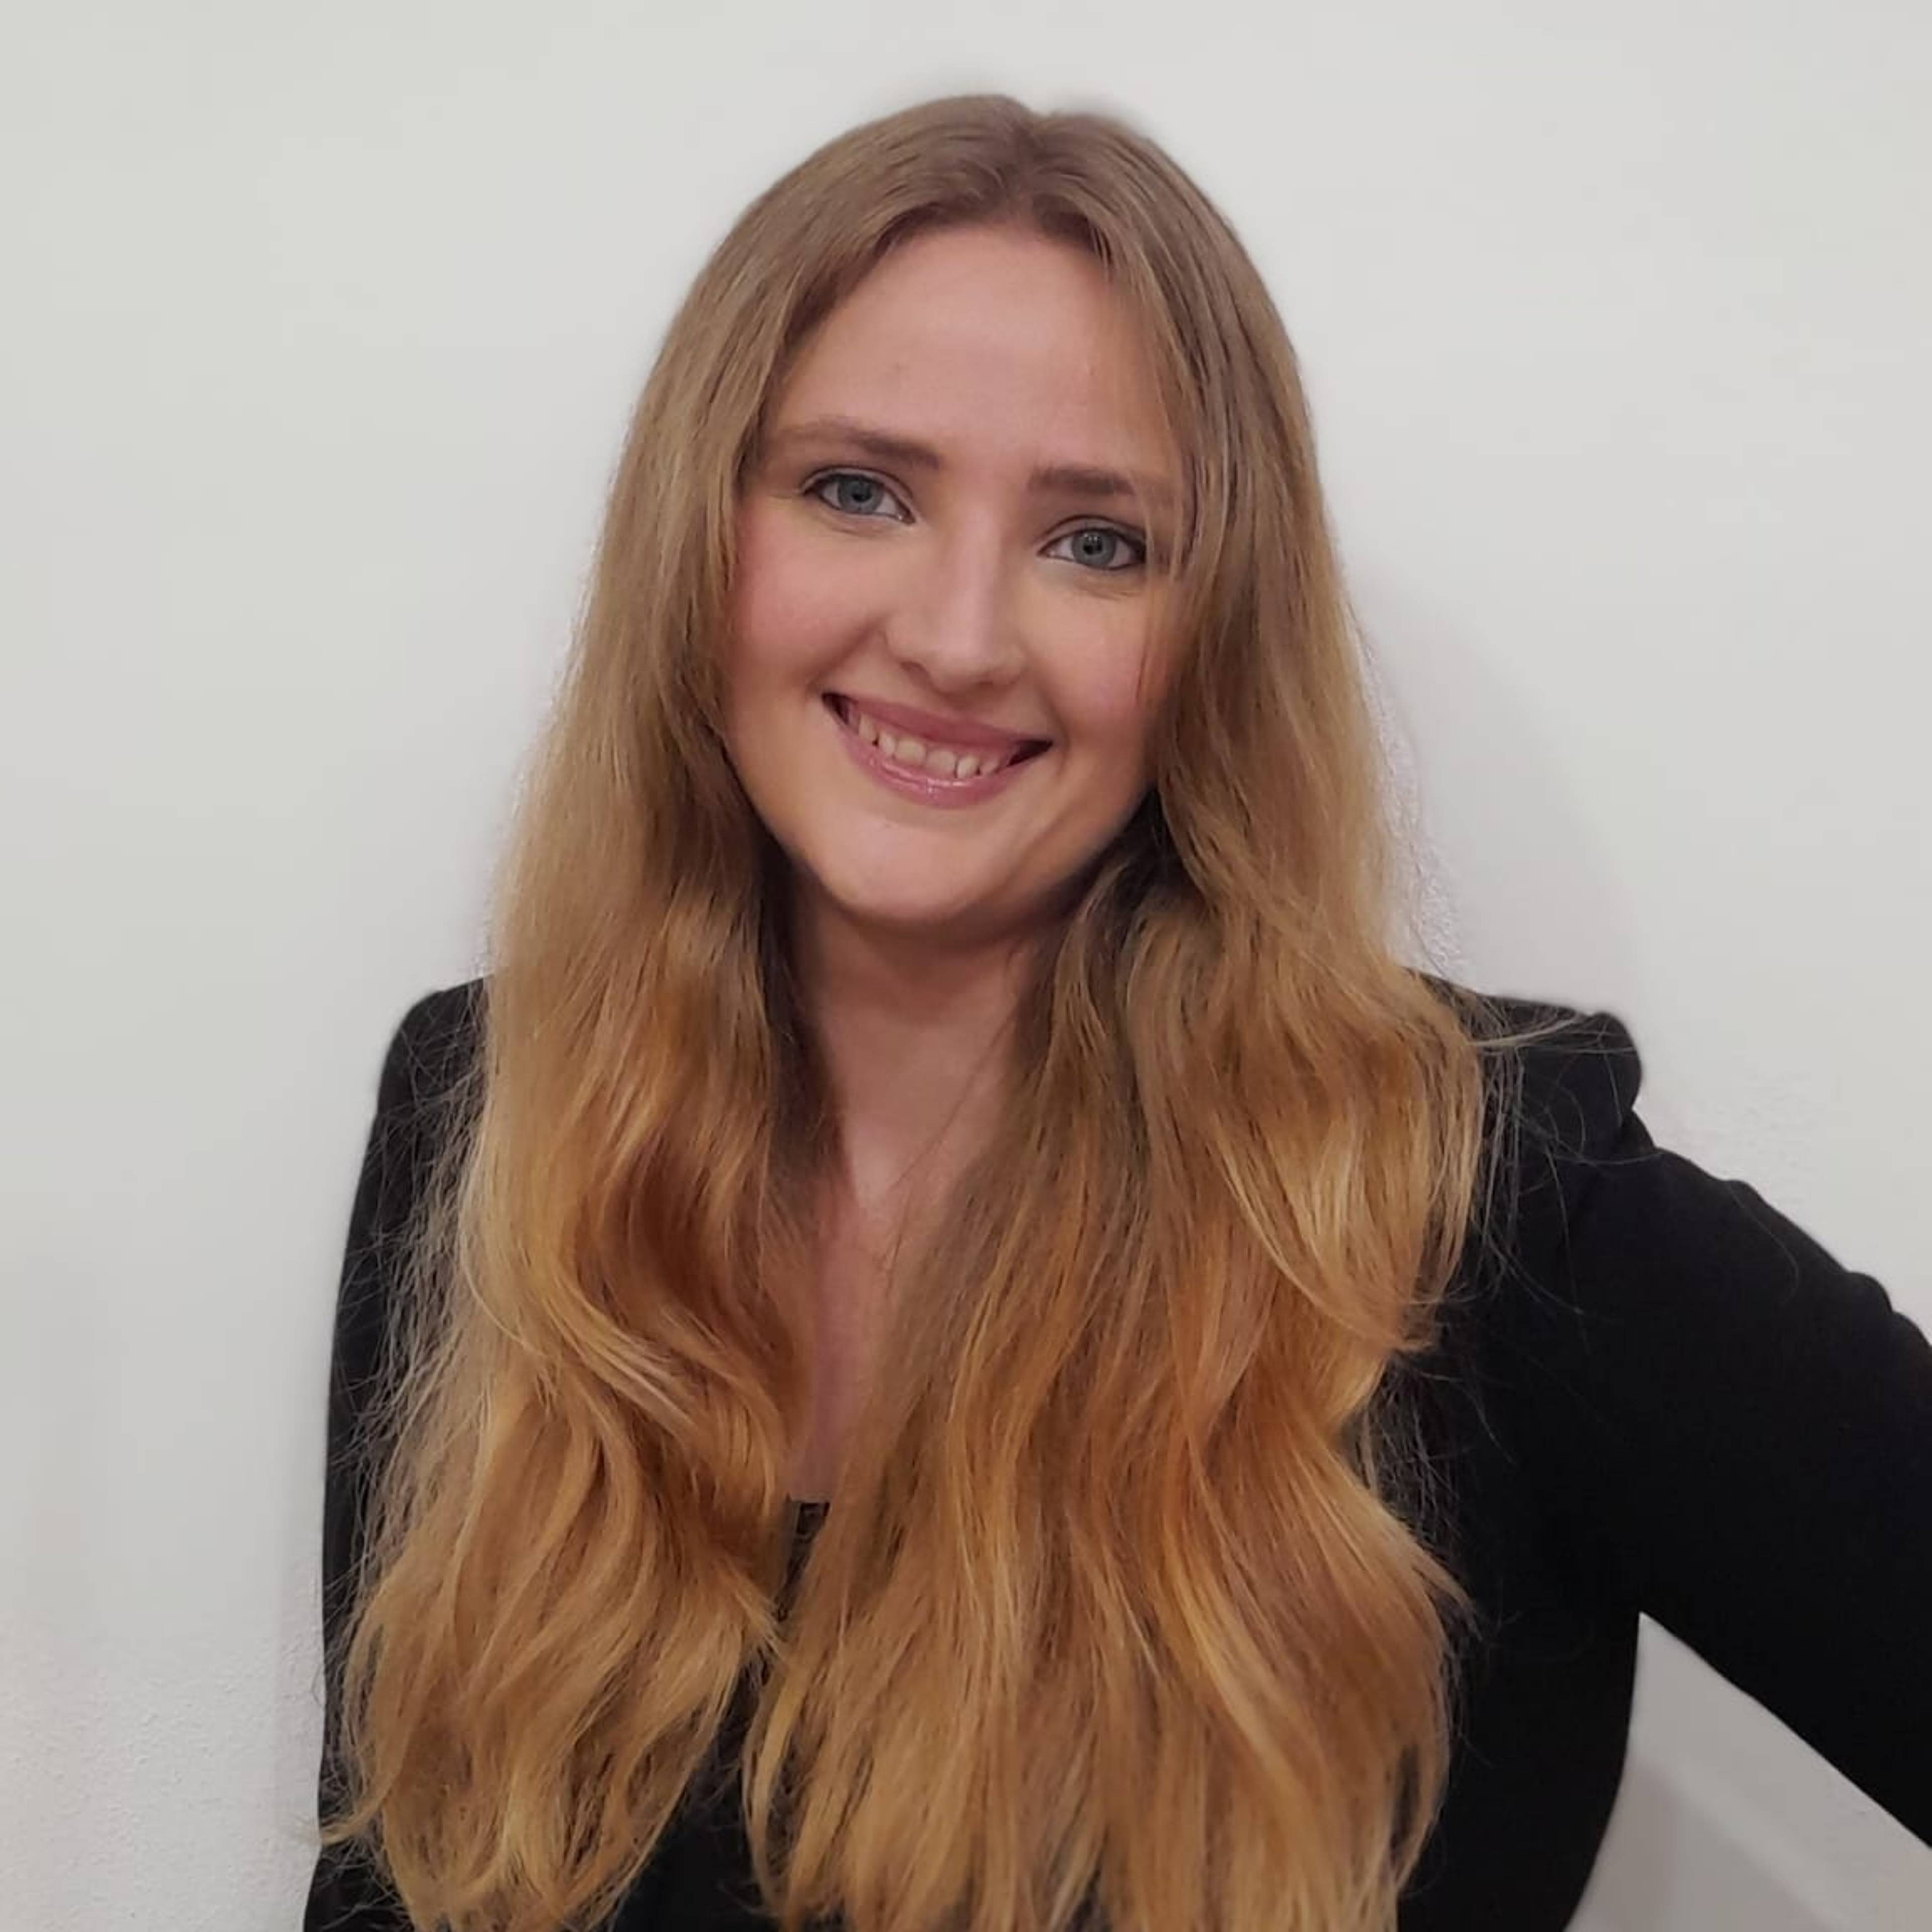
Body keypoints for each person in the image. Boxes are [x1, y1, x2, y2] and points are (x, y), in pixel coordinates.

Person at [302, 93, 1930, 1932]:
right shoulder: (494, 1111)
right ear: (700, 534)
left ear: (1213, 634)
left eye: (1099, 543)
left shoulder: (1487, 1208)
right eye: (859, 490)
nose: (962, 634)